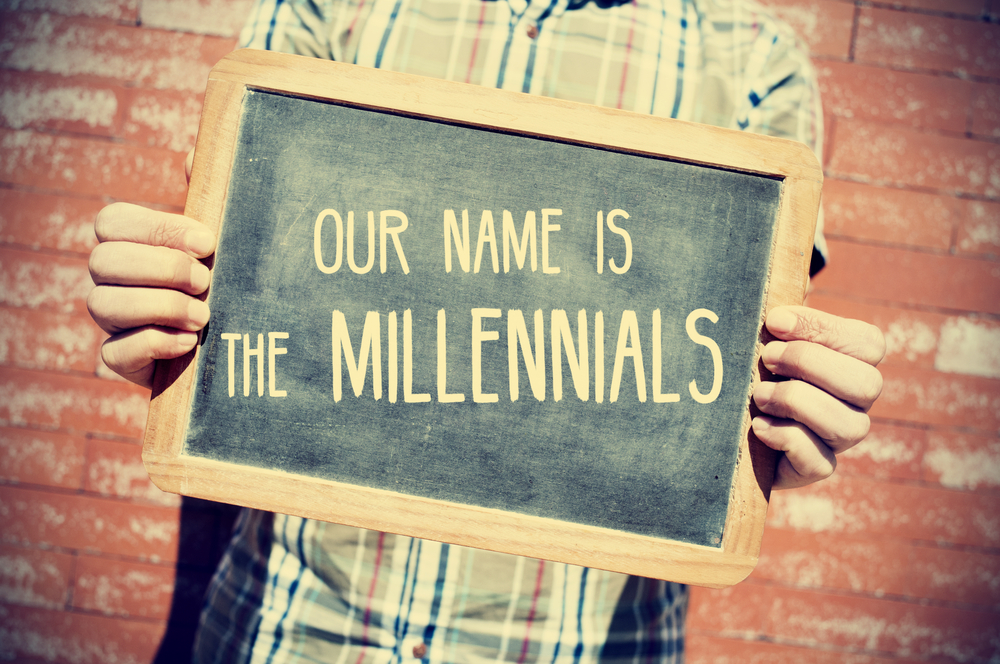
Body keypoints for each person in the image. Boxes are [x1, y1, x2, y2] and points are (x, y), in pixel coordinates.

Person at [87, 0, 886, 661]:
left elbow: (729, 392)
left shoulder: (754, 62)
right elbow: (252, 285)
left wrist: (785, 433)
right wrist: (174, 333)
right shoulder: (334, 7)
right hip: (290, 630)